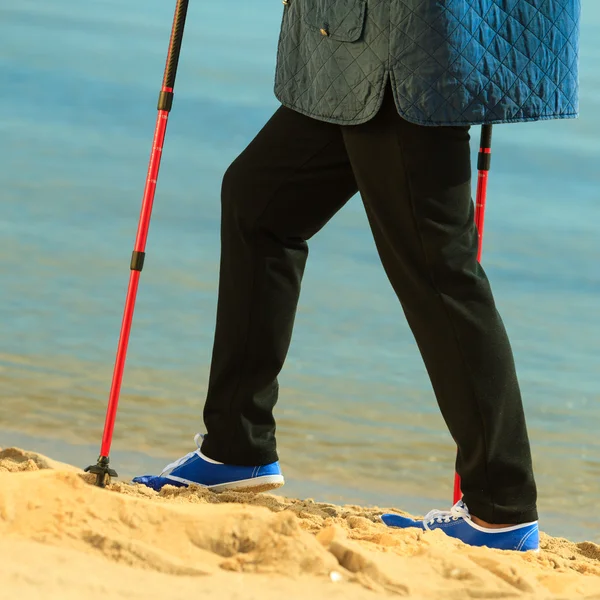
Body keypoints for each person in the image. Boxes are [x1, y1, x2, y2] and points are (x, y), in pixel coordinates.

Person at [134, 0, 580, 552]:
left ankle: (502, 507)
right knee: (260, 204)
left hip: (404, 51)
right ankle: (236, 445)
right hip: (358, 45)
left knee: (437, 270)